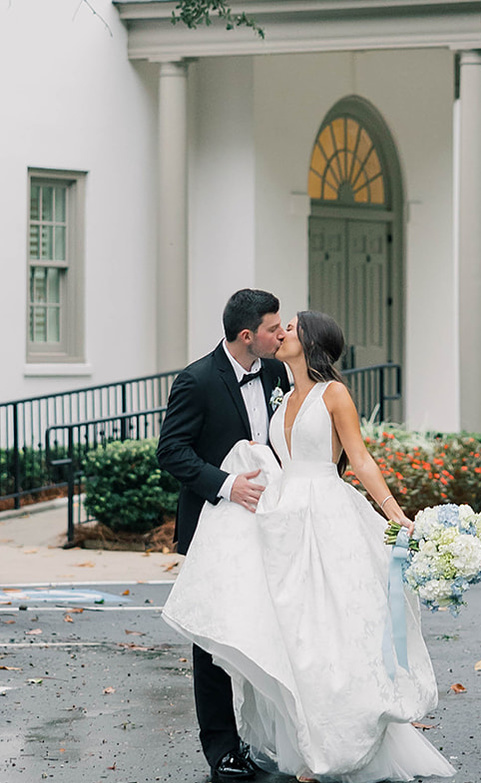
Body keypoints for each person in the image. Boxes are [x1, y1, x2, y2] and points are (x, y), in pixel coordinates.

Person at [162, 310, 455, 783]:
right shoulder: (284, 390)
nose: (281, 334)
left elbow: (358, 456)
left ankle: (340, 742)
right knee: (293, 634)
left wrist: (392, 510)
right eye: (276, 328)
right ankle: (303, 739)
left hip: (326, 516)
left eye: (290, 328)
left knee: (331, 630)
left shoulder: (334, 393)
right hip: (283, 519)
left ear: (311, 341)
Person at [157, 288, 291, 782]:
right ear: (245, 335)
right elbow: (171, 452)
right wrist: (228, 485)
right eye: (274, 329)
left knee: (271, 627)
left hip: (272, 526)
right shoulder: (195, 380)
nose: (282, 335)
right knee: (213, 638)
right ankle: (222, 749)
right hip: (216, 523)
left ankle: (274, 735)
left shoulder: (277, 372)